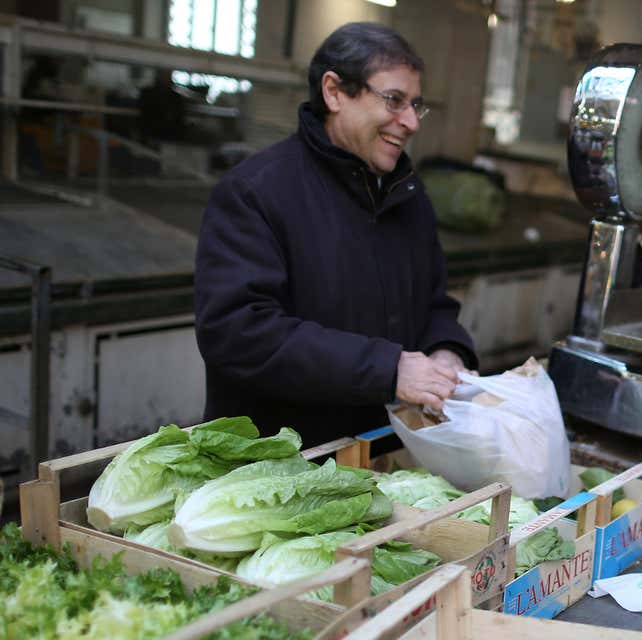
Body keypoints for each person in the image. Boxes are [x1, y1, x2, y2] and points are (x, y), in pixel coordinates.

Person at [193, 23, 477, 447]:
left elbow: (434, 304)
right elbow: (239, 333)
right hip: (281, 467)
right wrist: (390, 370)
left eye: (416, 104)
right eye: (394, 100)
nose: (412, 121)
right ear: (334, 92)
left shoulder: (406, 196)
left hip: (382, 456)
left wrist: (446, 352)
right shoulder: (256, 193)